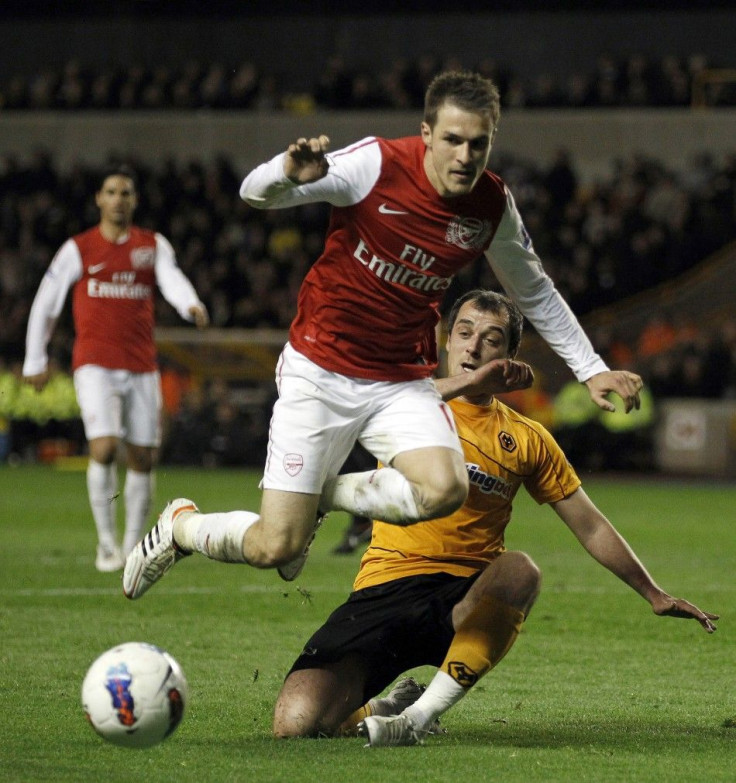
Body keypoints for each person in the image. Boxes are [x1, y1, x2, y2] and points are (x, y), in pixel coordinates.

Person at [122, 70, 643, 598]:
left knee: (446, 488)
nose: (465, 155)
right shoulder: (374, 166)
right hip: (320, 369)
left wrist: (592, 369)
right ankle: (183, 527)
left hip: (399, 380)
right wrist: (287, 170)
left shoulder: (490, 206)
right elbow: (253, 194)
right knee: (274, 546)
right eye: (453, 141)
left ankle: (324, 496)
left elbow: (534, 290)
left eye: (478, 144)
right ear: (426, 134)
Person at [272, 289, 718, 745]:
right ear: (445, 340)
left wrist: (653, 593)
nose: (473, 346)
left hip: (465, 599)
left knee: (520, 570)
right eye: (464, 333)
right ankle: (386, 706)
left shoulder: (527, 437)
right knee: (295, 725)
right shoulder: (404, 402)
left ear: (509, 356)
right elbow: (384, 397)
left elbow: (590, 524)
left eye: (491, 338)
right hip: (383, 588)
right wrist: (471, 382)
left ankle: (418, 717)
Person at [23, 164, 209, 572]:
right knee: (104, 448)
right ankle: (106, 544)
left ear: (134, 201)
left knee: (143, 457)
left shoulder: (150, 245)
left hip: (141, 365)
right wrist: (35, 360)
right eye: (111, 192)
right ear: (99, 199)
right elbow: (46, 302)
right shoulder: (79, 248)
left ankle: (131, 548)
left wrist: (189, 303)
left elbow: (171, 278)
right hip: (94, 364)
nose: (118, 199)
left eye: (126, 193)